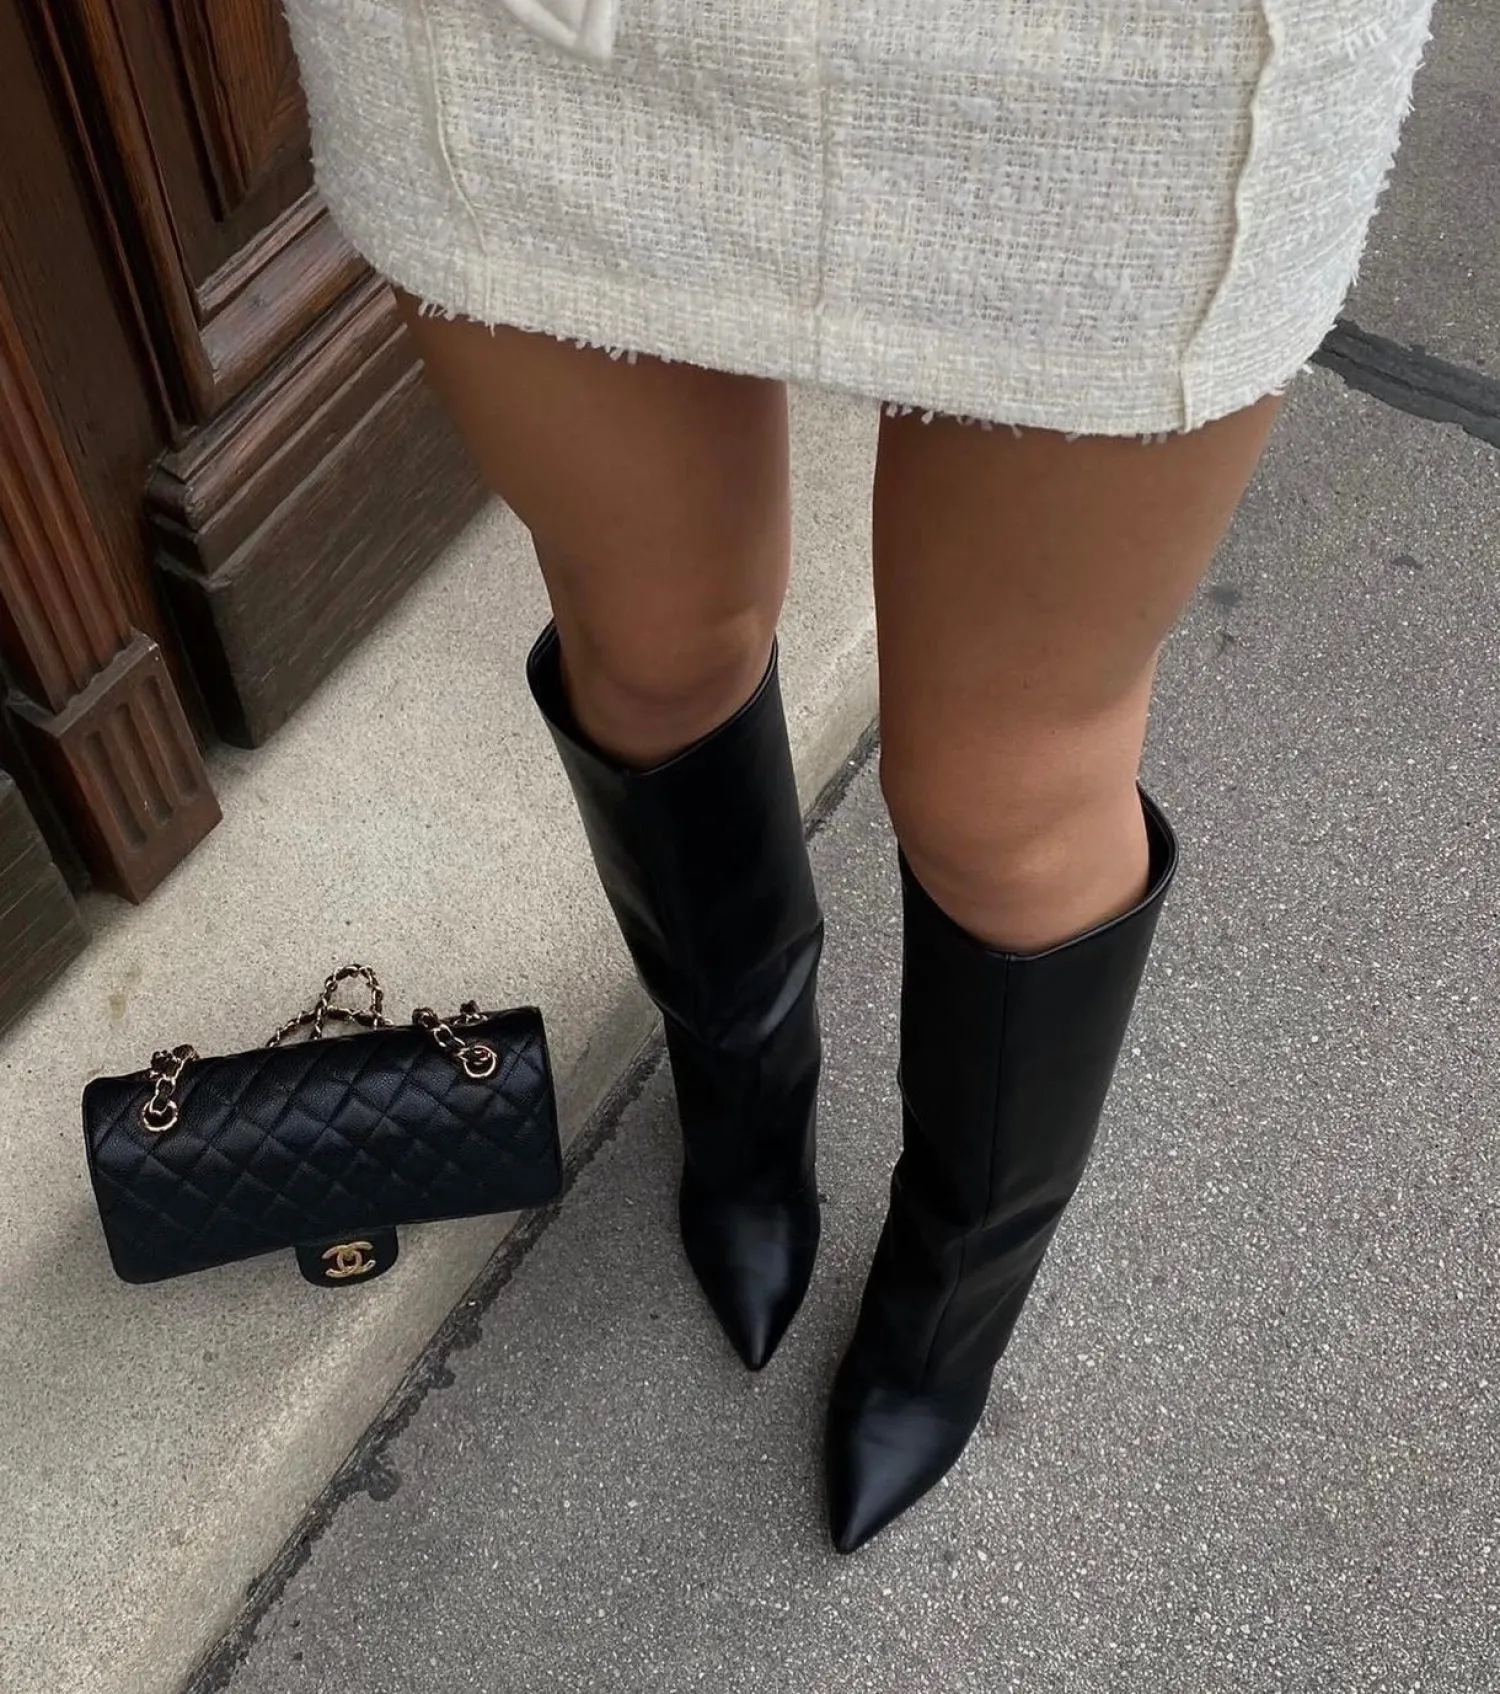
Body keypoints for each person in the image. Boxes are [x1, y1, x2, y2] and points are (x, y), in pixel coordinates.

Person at [282, 0, 1435, 1553]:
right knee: (650, 647)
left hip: (1129, 50)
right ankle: (742, 1104)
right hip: (547, 39)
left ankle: (954, 1287)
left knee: (1007, 796)